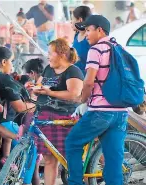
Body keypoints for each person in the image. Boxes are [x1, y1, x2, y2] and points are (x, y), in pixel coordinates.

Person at [66, 15, 128, 185]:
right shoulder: (118, 47)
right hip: (121, 112)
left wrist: (82, 100)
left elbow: (88, 81)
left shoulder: (97, 49)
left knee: (72, 143)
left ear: (100, 30)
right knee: (114, 158)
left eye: (88, 30)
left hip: (100, 111)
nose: (86, 34)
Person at [32, 38, 84, 185]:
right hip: (44, 117)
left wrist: (50, 93)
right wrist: (36, 90)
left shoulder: (73, 71)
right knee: (49, 159)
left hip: (64, 119)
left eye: (50, 53)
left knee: (70, 157)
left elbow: (74, 93)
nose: (47, 56)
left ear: (61, 54)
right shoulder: (48, 69)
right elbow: (40, 86)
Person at [0, 46, 36, 185]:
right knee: (32, 145)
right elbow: (20, 107)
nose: (12, 65)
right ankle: (27, 182)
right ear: (3, 62)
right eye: (11, 61)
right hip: (1, 123)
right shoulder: (2, 78)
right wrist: (36, 104)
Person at [72, 6, 91, 75]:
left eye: (72, 19)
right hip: (74, 76)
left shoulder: (90, 38)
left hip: (84, 79)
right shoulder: (76, 35)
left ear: (79, 20)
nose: (71, 21)